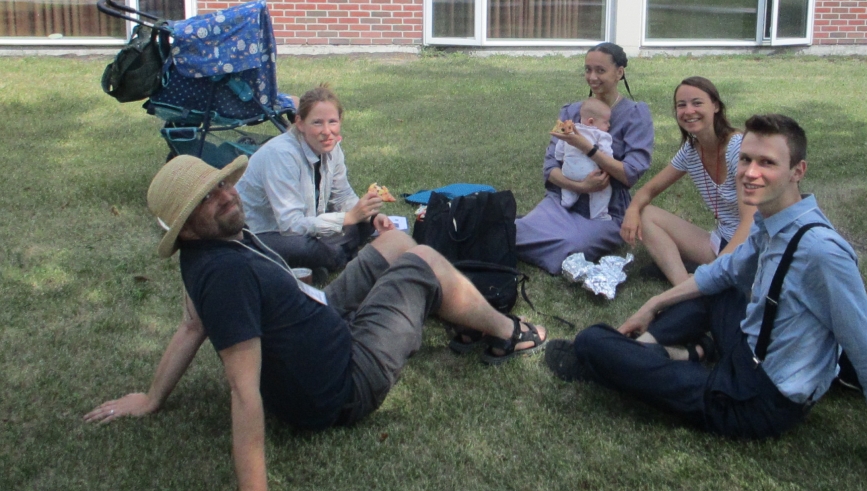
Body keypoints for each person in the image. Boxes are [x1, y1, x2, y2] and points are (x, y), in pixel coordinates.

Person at [84, 155, 546, 490]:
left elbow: (190, 327)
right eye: (206, 200)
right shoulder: (226, 277)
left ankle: (469, 322)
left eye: (221, 185)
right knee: (422, 259)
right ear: (185, 226)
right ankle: (507, 333)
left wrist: (150, 398)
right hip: (347, 381)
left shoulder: (213, 244)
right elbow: (243, 391)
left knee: (396, 244)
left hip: (320, 313)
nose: (226, 197)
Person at [545, 115, 867, 491]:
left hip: (754, 400)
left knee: (591, 342)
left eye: (767, 162)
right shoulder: (773, 221)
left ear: (797, 172)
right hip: (750, 349)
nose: (751, 172)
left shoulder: (822, 253)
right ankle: (665, 351)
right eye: (747, 159)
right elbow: (723, 273)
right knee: (717, 287)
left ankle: (633, 357)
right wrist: (653, 302)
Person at [516, 42, 654, 274]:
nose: (592, 77)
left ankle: (546, 239)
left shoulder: (635, 115)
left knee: (572, 248)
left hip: (604, 212)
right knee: (513, 232)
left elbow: (630, 174)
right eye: (588, 69)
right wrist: (579, 186)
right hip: (562, 201)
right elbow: (550, 166)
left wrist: (588, 148)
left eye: (600, 70)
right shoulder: (571, 112)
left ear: (619, 72)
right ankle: (533, 230)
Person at [235, 85, 384, 276]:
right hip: (263, 234)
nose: (327, 131)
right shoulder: (281, 155)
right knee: (304, 248)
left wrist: (369, 216)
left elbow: (342, 196)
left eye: (332, 122)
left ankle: (324, 260)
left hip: (305, 229)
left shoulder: (332, 146)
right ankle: (331, 258)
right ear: (300, 123)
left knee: (364, 224)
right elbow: (290, 225)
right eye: (317, 123)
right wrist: (348, 218)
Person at [621, 77, 756, 285]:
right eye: (681, 105)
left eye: (697, 103)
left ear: (716, 106)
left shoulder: (737, 148)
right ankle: (684, 286)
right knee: (646, 213)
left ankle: (701, 284)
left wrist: (718, 267)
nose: (688, 111)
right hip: (720, 241)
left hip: (750, 247)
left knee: (718, 275)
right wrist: (631, 211)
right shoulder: (691, 151)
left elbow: (750, 223)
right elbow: (649, 190)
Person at [555, 97, 614, 220]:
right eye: (606, 122)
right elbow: (607, 153)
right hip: (589, 174)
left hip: (568, 172)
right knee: (604, 189)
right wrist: (609, 163)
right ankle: (599, 214)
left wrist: (560, 157)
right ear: (591, 121)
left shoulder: (569, 131)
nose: (609, 125)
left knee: (569, 182)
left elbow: (559, 148)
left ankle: (567, 199)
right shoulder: (600, 134)